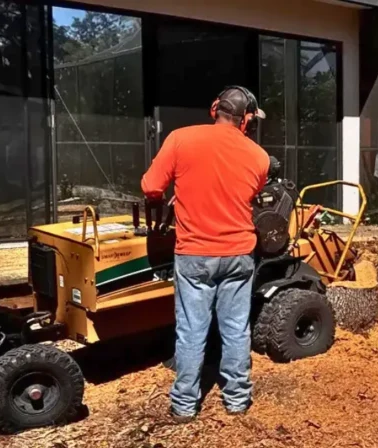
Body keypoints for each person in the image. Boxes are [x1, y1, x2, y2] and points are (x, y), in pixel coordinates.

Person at [141, 86, 270, 423]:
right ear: (246, 120)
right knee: (236, 329)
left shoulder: (181, 139)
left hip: (195, 253)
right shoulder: (259, 157)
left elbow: (151, 186)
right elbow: (247, 193)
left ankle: (184, 406)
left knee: (191, 330)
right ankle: (238, 400)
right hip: (240, 253)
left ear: (215, 109)